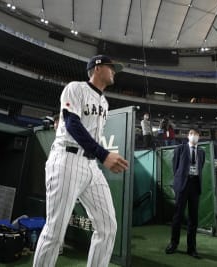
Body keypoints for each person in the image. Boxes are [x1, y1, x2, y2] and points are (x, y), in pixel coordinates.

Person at [33, 55, 129, 267]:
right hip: (67, 158)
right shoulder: (75, 88)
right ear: (97, 68)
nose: (114, 71)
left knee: (107, 227)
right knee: (55, 231)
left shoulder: (104, 101)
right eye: (111, 67)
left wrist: (98, 155)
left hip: (90, 165)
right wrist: (103, 154)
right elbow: (72, 124)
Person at [165, 129, 205, 258]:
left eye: (197, 135)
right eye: (192, 134)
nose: (194, 136)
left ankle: (191, 248)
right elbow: (175, 167)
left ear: (199, 137)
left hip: (195, 185)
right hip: (182, 185)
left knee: (193, 218)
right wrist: (181, 179)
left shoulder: (201, 152)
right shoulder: (180, 149)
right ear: (188, 136)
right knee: (178, 216)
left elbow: (201, 167)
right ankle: (173, 243)